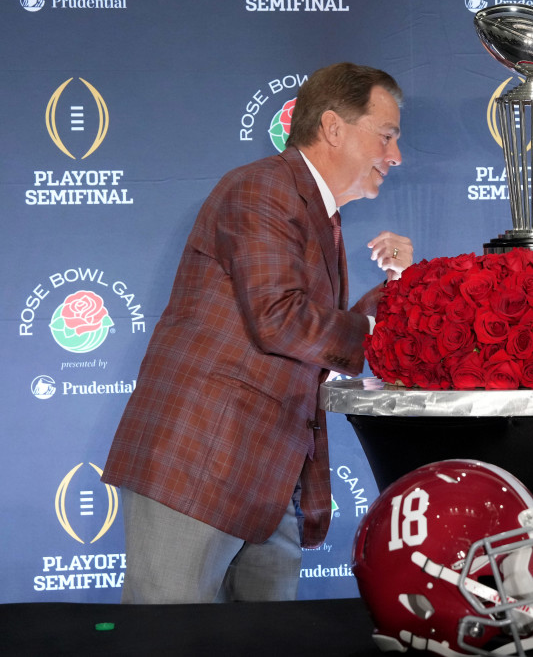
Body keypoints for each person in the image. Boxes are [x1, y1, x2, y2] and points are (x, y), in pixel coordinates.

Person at [103, 62, 414, 603]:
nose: (395, 156)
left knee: (266, 640)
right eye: (386, 136)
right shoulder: (263, 189)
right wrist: (371, 328)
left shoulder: (320, 212)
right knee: (168, 642)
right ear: (335, 128)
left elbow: (311, 330)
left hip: (269, 473)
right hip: (201, 461)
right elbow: (280, 319)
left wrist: (400, 289)